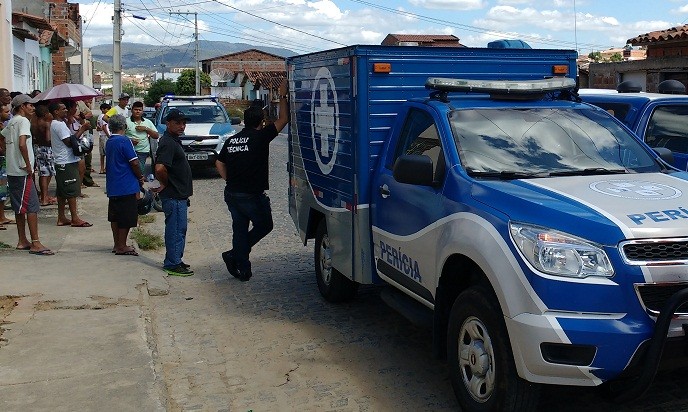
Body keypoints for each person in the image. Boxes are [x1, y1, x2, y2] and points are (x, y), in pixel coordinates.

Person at [215, 80, 290, 281]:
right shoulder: (261, 137)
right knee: (265, 226)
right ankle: (234, 255)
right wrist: (283, 95)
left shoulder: (232, 140)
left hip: (232, 193)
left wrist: (228, 179)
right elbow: (284, 119)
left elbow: (219, 162)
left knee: (239, 229)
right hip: (251, 196)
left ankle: (243, 268)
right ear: (262, 121)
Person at [1, 94, 53, 255]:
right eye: (29, 105)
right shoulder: (23, 121)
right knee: (31, 206)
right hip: (22, 170)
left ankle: (22, 239)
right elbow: (23, 143)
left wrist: (8, 153)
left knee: (19, 207)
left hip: (12, 170)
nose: (32, 107)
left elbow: (2, 136)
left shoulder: (11, 122)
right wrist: (28, 165)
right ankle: (35, 242)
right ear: (22, 106)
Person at [154, 109, 194, 276]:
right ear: (167, 123)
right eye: (177, 122)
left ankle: (176, 258)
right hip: (173, 195)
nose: (182, 126)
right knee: (176, 229)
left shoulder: (174, 140)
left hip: (179, 195)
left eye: (183, 123)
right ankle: (172, 263)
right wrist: (164, 182)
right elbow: (160, 167)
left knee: (180, 229)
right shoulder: (168, 142)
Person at [49, 101, 92, 227]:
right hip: (66, 161)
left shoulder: (60, 124)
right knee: (72, 190)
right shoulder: (59, 125)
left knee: (62, 192)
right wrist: (82, 129)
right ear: (56, 111)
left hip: (63, 161)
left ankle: (61, 217)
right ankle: (74, 218)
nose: (66, 110)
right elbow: (69, 142)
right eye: (63, 109)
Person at [105, 114, 144, 256]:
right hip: (126, 185)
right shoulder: (124, 141)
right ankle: (122, 245)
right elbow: (134, 162)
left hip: (113, 185)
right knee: (126, 217)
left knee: (115, 216)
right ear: (124, 127)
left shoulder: (109, 142)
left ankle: (117, 244)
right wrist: (140, 176)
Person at [31, 103, 57, 206]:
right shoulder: (46, 123)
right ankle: (45, 196)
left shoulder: (34, 123)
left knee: (43, 173)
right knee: (49, 172)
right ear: (45, 114)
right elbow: (48, 138)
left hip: (38, 148)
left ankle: (43, 197)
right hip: (47, 149)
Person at [125, 101, 159, 177]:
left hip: (143, 151)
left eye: (139, 110)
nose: (137, 111)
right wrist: (130, 140)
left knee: (140, 171)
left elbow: (156, 135)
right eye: (136, 109)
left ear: (142, 111)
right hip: (129, 150)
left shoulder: (147, 122)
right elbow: (120, 136)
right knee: (130, 171)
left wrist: (146, 129)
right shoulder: (126, 121)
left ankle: (139, 186)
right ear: (132, 110)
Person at [0, 102, 13, 230]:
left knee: (3, 191)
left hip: (3, 159)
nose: (9, 114)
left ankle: (2, 216)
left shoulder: (4, 125)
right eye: (6, 112)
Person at [97, 103, 111, 174]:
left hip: (101, 136)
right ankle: (105, 168)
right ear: (102, 109)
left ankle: (102, 168)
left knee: (102, 154)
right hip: (105, 136)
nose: (108, 110)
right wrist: (109, 136)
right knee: (108, 153)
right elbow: (104, 127)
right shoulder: (103, 116)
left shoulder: (99, 116)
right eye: (107, 109)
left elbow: (98, 128)